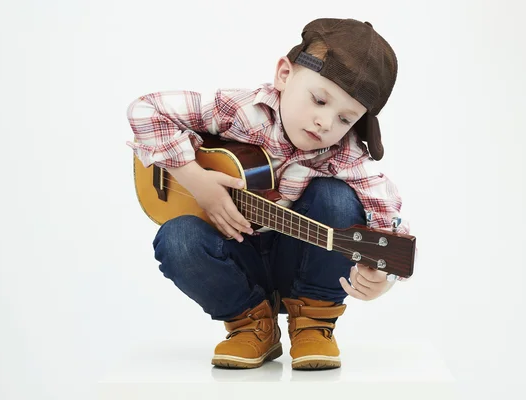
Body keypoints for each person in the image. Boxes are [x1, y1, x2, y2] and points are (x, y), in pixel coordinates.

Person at [126, 17, 410, 370]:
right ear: (285, 75)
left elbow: (386, 211)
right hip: (234, 257)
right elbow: (146, 109)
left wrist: (384, 275)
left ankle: (312, 322)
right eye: (320, 100)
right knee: (177, 239)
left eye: (345, 119)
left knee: (336, 198)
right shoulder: (241, 110)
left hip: (298, 263)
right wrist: (195, 179)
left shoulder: (344, 153)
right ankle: (251, 325)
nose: (326, 122)